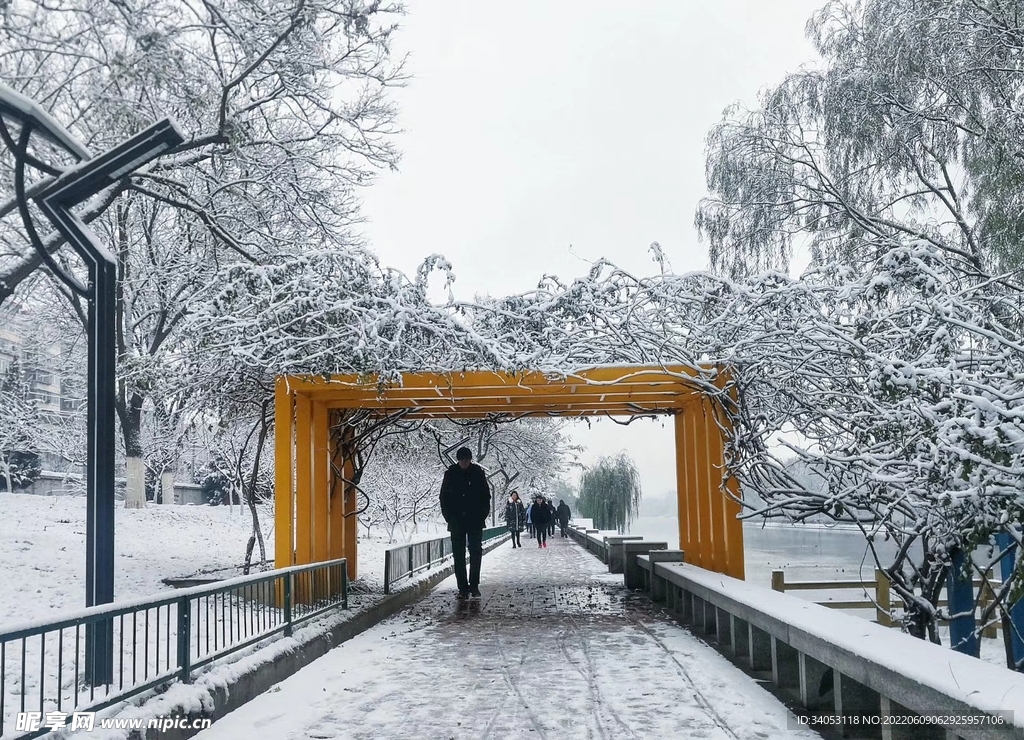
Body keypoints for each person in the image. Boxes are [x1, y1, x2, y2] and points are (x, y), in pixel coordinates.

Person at [439, 447, 491, 598]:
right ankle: (462, 588)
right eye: (462, 459)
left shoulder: (478, 473)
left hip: (475, 520)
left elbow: (485, 496)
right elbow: (444, 497)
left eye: (467, 459)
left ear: (470, 460)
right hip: (456, 521)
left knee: (476, 552)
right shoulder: (450, 474)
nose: (464, 462)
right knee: (458, 554)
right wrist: (449, 517)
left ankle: (474, 585)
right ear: (458, 460)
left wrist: (482, 515)